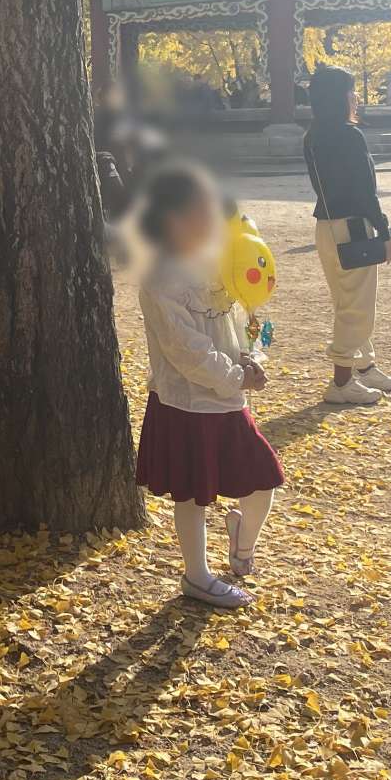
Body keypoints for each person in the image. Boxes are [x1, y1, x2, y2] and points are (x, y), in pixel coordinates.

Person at [131, 163, 284, 609]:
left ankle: (242, 546)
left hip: (228, 398)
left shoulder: (220, 267)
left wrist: (253, 360)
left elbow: (247, 326)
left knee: (264, 480)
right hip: (187, 403)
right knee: (193, 494)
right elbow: (186, 351)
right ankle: (196, 575)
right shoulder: (160, 277)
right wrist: (237, 376)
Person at [302, 65, 391, 406]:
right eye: (351, 91)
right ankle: (342, 382)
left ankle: (364, 364)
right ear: (339, 97)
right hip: (352, 225)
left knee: (347, 300)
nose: (355, 97)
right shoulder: (348, 135)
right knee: (357, 306)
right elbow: (364, 190)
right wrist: (384, 230)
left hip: (326, 226)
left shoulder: (312, 135)